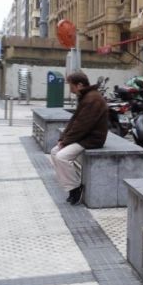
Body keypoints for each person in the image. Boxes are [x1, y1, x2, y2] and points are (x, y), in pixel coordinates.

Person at [50, 71, 108, 205]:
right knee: (54, 152)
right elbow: (74, 120)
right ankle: (72, 186)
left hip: (92, 139)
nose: (70, 89)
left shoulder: (92, 99)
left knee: (61, 157)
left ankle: (76, 188)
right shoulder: (86, 96)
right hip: (83, 137)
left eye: (71, 86)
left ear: (80, 85)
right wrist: (63, 139)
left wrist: (66, 141)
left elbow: (82, 125)